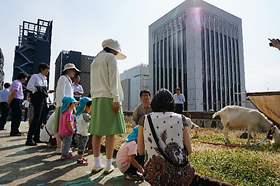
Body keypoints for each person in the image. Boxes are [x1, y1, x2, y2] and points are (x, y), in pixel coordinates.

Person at [138, 88, 195, 185]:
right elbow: (189, 151)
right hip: (179, 173)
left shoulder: (144, 119)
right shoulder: (181, 119)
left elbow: (140, 151)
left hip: (154, 175)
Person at [89, 39, 126, 173]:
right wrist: (116, 99)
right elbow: (113, 80)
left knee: (97, 132)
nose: (117, 53)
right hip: (109, 97)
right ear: (113, 49)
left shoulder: (95, 60)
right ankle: (108, 164)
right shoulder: (110, 58)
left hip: (97, 98)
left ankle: (97, 163)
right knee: (111, 132)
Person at [54, 63, 80, 154]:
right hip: (63, 106)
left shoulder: (67, 80)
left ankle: (63, 147)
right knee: (60, 127)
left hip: (68, 107)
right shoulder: (63, 78)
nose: (74, 73)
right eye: (73, 71)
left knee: (65, 127)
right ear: (68, 70)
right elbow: (61, 93)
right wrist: (65, 106)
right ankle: (59, 147)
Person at [26, 63, 53, 146]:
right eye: (46, 70)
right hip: (37, 98)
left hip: (43, 99)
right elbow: (29, 86)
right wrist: (38, 90)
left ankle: (36, 137)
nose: (47, 71)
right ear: (41, 69)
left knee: (41, 119)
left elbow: (44, 90)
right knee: (36, 118)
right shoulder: (35, 76)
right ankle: (29, 138)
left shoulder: (45, 79)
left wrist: (45, 92)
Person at [7, 72, 28, 136]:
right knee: (17, 116)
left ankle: (15, 130)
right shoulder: (18, 83)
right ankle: (14, 131)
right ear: (22, 78)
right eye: (25, 78)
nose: (25, 80)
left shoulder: (15, 82)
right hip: (16, 100)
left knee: (15, 116)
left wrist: (9, 100)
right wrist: (9, 101)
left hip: (15, 100)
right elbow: (14, 92)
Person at [74, 97, 92, 166]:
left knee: (82, 147)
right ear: (86, 107)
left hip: (78, 134)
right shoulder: (85, 115)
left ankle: (81, 158)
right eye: (90, 106)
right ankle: (79, 160)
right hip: (83, 135)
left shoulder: (79, 114)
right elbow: (90, 119)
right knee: (81, 148)